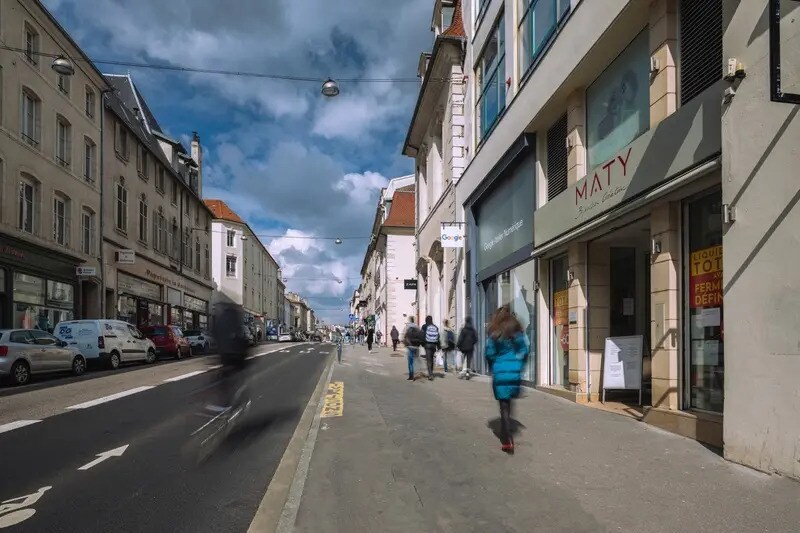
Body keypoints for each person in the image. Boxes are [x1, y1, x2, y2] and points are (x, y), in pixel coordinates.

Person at [485, 306, 528, 454]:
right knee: (509, 403)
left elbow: (489, 353)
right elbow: (524, 349)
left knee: (503, 406)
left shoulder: (495, 331)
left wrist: (493, 368)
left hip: (500, 371)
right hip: (513, 372)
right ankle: (508, 428)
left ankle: (506, 439)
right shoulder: (515, 328)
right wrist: (519, 365)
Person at [422, 315, 440, 381]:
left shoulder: (424, 326)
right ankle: (431, 372)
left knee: (428, 360)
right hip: (434, 345)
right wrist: (439, 346)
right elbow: (438, 337)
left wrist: (422, 344)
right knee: (432, 359)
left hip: (427, 345)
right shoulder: (435, 327)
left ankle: (430, 375)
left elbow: (422, 335)